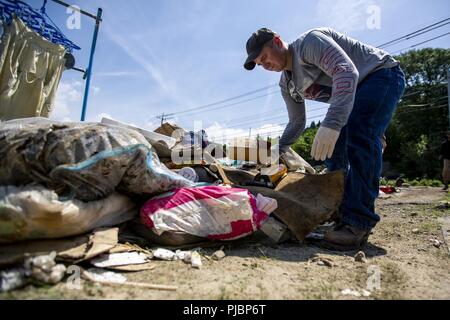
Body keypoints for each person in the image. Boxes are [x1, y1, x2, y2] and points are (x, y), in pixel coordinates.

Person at [244, 27, 405, 250]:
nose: (265, 65)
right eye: (261, 64)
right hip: (353, 99)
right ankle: (338, 209)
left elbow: (346, 72)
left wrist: (332, 123)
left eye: (264, 57)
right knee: (335, 153)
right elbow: (297, 122)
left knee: (359, 137)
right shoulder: (287, 84)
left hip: (380, 75)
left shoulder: (309, 44)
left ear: (278, 42)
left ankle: (359, 222)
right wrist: (277, 151)